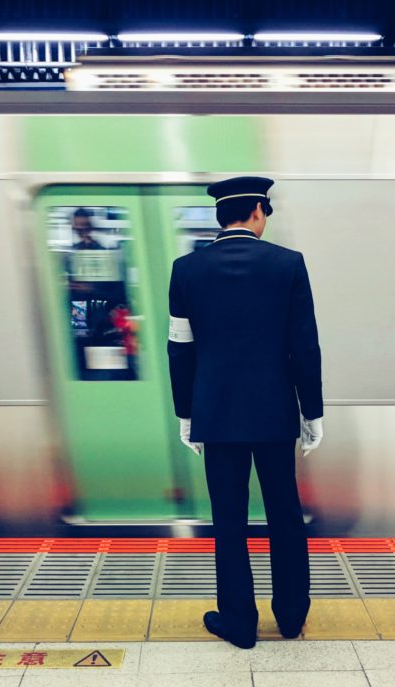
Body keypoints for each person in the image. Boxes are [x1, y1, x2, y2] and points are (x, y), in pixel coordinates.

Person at [167, 176, 323, 649]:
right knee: (284, 514)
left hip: (215, 414)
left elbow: (180, 348)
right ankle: (291, 615)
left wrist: (186, 414)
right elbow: (304, 346)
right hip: (275, 414)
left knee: (229, 519)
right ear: (258, 211)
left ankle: (238, 621)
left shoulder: (186, 269)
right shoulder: (287, 265)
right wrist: (310, 412)